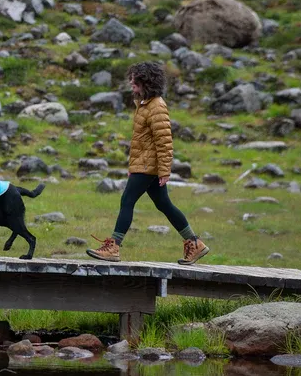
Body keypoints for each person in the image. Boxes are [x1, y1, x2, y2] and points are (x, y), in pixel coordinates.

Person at [86, 61, 209, 265]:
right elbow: (142, 142)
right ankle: (195, 243)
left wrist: (164, 170)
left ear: (146, 81)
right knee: (164, 204)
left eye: (135, 79)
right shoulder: (144, 104)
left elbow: (164, 141)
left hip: (148, 166)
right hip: (143, 165)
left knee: (127, 201)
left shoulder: (156, 107)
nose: (131, 82)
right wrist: (133, 167)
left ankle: (114, 247)